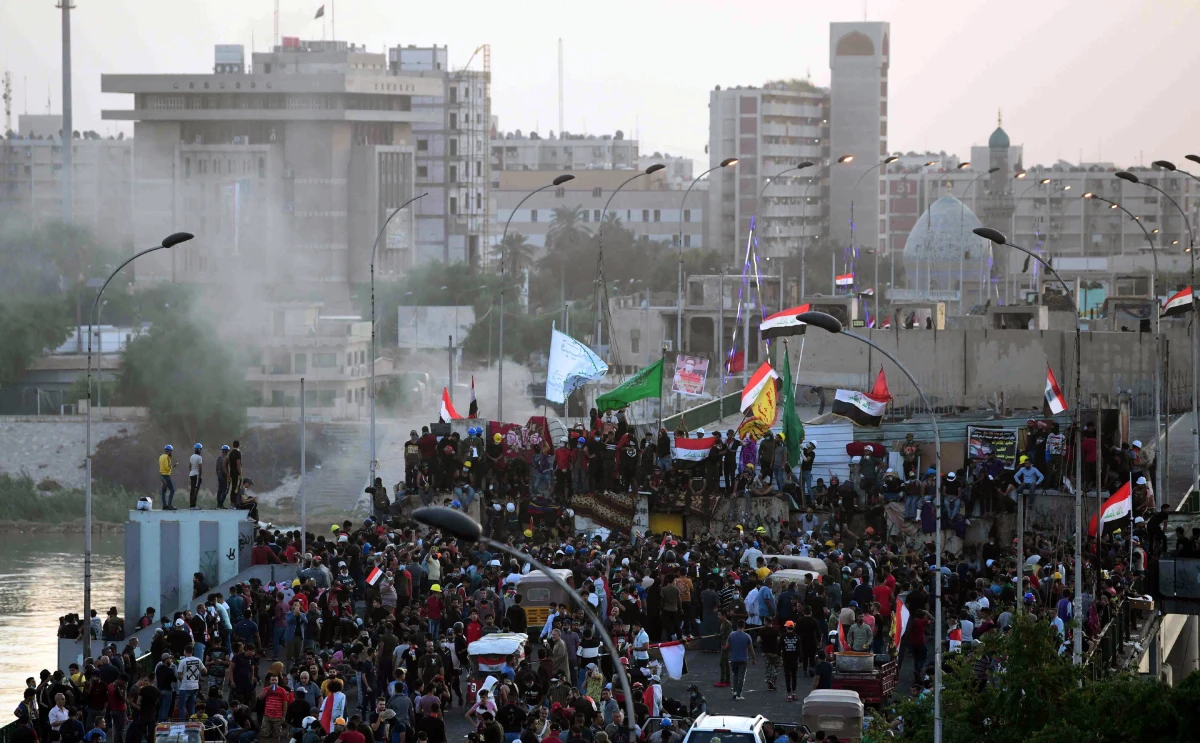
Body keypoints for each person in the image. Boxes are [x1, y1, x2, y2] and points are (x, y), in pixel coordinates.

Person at [724, 619, 755, 701]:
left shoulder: (731, 635)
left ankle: (734, 691)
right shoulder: (747, 636)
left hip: (734, 658)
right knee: (741, 677)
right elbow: (751, 649)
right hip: (743, 659)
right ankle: (738, 694)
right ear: (744, 626)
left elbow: (726, 647)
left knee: (735, 675)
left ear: (737, 625)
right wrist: (753, 659)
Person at [175, 644, 205, 719]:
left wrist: (182, 679)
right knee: (192, 706)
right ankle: (192, 722)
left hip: (185, 687)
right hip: (195, 687)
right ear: (192, 652)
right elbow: (205, 671)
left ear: (185, 652)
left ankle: (183, 723)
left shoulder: (183, 661)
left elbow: (179, 675)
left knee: (182, 707)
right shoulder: (198, 660)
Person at [160, 445, 177, 511]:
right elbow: (167, 467)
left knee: (163, 491)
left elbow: (163, 466)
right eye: (171, 451)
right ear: (169, 451)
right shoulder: (167, 457)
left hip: (161, 475)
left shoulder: (161, 456)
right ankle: (169, 505)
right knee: (172, 490)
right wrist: (172, 466)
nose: (171, 452)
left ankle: (164, 505)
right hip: (166, 475)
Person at [188, 444, 204, 509]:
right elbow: (200, 468)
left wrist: (191, 471)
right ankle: (193, 505)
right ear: (199, 450)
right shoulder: (199, 457)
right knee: (195, 489)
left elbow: (189, 466)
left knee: (192, 490)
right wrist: (200, 475)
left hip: (191, 474)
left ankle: (191, 505)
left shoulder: (191, 456)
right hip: (196, 475)